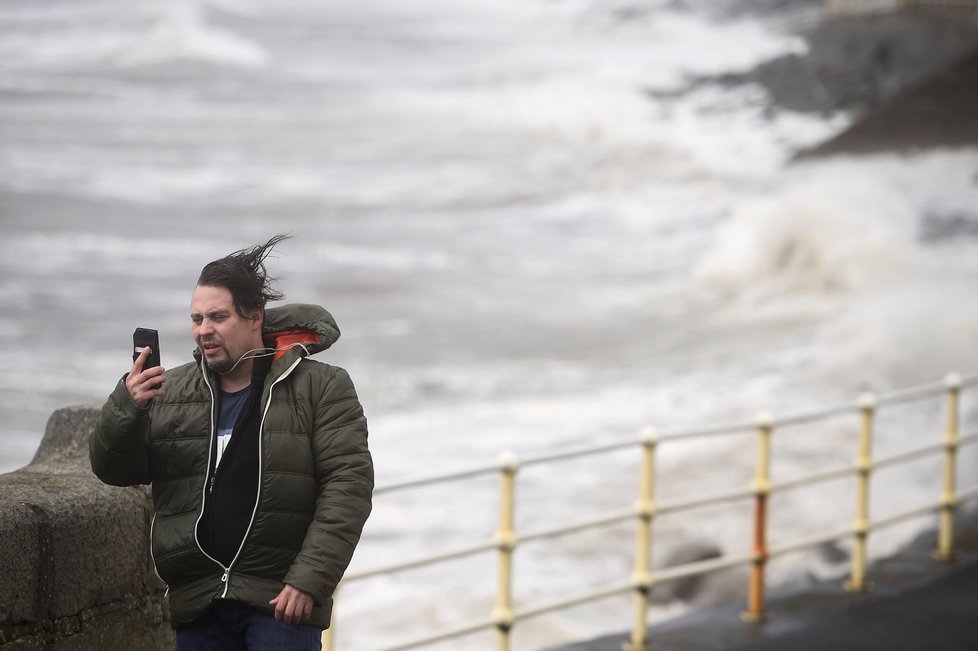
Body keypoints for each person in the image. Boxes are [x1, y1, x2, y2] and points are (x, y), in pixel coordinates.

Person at [90, 234, 373, 650]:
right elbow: (114, 470)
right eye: (197, 319)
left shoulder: (321, 386)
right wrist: (126, 408)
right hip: (199, 603)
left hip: (279, 602)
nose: (204, 330)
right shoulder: (173, 391)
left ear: (254, 316)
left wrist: (309, 580)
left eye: (218, 318)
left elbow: (348, 487)